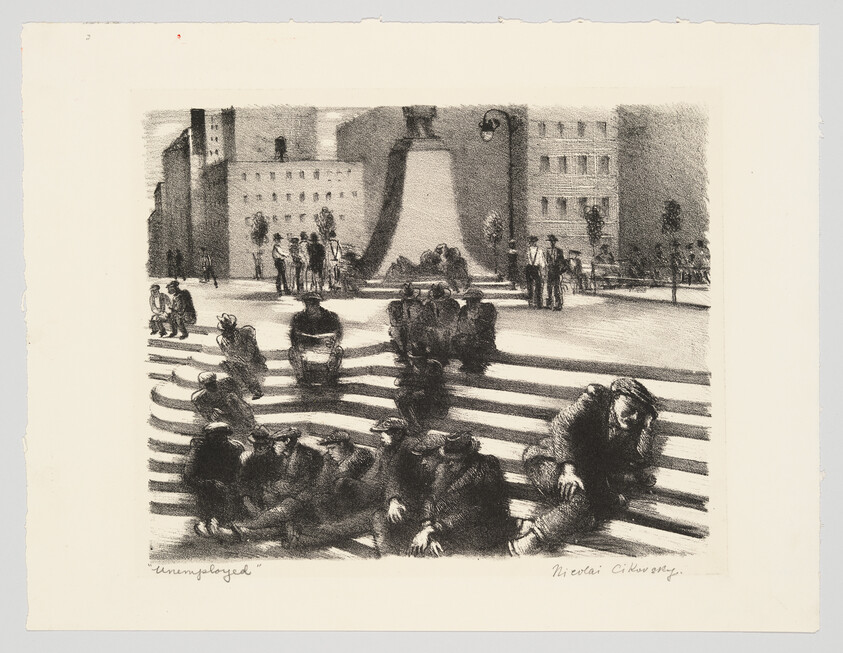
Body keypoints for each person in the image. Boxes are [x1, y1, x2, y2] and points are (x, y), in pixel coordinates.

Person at [509, 378, 659, 556]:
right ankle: (529, 542)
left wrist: (647, 427)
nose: (634, 417)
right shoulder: (594, 401)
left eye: (640, 414)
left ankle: (527, 526)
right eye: (631, 409)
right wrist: (568, 470)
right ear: (616, 398)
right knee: (582, 502)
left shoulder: (631, 427)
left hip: (586, 474)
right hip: (549, 461)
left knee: (592, 513)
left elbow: (640, 459)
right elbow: (561, 424)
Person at [289, 423, 408, 550]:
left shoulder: (361, 456)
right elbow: (322, 484)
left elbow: (352, 481)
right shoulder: (331, 459)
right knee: (318, 501)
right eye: (328, 449)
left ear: (342, 445)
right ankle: (299, 534)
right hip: (352, 499)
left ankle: (302, 537)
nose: (329, 452)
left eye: (332, 448)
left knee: (341, 487)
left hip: (366, 499)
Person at [208, 426, 324, 542]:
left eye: (271, 443)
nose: (272, 446)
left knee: (275, 513)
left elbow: (303, 484)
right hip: (273, 498)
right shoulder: (277, 456)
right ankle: (232, 528)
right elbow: (244, 480)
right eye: (256, 445)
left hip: (298, 500)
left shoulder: (302, 456)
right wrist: (247, 497)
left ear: (287, 441)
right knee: (268, 513)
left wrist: (272, 489)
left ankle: (238, 530)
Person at [408, 431, 510, 557]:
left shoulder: (486, 468)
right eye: (448, 458)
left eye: (455, 459)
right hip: (446, 528)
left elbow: (477, 510)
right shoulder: (447, 468)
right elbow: (431, 497)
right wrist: (427, 525)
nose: (449, 462)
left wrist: (435, 529)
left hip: (479, 531)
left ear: (467, 458)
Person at [184, 422, 245, 537]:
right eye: (216, 437)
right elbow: (189, 476)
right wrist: (210, 484)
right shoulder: (200, 450)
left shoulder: (235, 449)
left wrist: (233, 485)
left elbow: (241, 472)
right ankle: (208, 522)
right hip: (208, 489)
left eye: (223, 437)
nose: (220, 440)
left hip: (229, 488)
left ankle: (225, 524)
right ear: (209, 437)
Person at [288, 292, 344, 385]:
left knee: (338, 350)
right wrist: (300, 343)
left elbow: (338, 334)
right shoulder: (299, 318)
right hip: (306, 348)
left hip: (326, 348)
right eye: (308, 303)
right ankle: (301, 379)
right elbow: (293, 337)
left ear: (318, 304)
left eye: (314, 303)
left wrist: (333, 343)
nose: (311, 306)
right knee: (292, 351)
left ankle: (331, 378)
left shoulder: (330, 316)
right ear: (305, 304)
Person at [394, 344, 448, 429]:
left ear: (425, 358)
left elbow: (434, 385)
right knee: (401, 397)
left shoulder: (434, 366)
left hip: (433, 395)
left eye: (420, 359)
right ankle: (412, 424)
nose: (417, 361)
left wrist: (419, 390)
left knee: (409, 398)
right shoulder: (412, 368)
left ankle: (416, 425)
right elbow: (398, 382)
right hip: (418, 395)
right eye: (414, 359)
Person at [216, 313, 268, 400]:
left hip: (252, 361)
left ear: (233, 328)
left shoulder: (245, 334)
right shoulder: (222, 340)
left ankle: (255, 389)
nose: (227, 333)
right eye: (225, 331)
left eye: (229, 330)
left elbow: (250, 352)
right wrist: (235, 360)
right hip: (237, 362)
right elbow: (227, 355)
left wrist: (241, 360)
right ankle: (243, 385)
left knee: (242, 368)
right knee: (224, 364)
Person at [190, 371, 256, 439]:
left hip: (233, 410)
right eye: (208, 385)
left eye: (213, 383)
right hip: (221, 416)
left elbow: (241, 404)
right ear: (204, 386)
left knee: (233, 399)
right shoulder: (199, 398)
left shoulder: (227, 389)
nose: (212, 386)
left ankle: (245, 427)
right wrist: (211, 413)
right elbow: (204, 412)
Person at [452, 287, 497, 372]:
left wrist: (474, 322)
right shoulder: (464, 310)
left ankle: (477, 365)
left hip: (483, 339)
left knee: (474, 344)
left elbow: (487, 326)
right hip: (467, 338)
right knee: (457, 340)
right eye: (468, 301)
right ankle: (467, 364)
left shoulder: (488, 309)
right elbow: (460, 325)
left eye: (473, 301)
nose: (470, 303)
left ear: (479, 300)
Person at [421, 283, 460, 364]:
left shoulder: (451, 303)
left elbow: (453, 319)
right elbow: (425, 319)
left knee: (440, 334)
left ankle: (440, 357)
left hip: (445, 330)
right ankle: (438, 357)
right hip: (439, 330)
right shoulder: (429, 305)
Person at [387, 283, 426, 361]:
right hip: (413, 329)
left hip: (408, 329)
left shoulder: (398, 305)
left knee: (396, 332)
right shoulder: (419, 304)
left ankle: (403, 352)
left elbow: (395, 321)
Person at [545, 234, 568, 310]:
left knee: (557, 288)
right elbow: (546, 261)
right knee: (549, 288)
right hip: (550, 271)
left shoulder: (559, 251)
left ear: (555, 242)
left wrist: (561, 271)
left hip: (557, 271)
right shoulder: (547, 251)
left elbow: (563, 262)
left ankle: (558, 304)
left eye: (553, 241)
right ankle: (549, 304)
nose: (552, 243)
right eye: (551, 241)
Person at [524, 235, 546, 308]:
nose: (533, 243)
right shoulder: (528, 250)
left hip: (535, 268)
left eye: (534, 241)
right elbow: (526, 260)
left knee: (537, 285)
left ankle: (537, 302)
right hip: (530, 268)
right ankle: (532, 302)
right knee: (530, 285)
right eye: (532, 242)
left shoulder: (539, 251)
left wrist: (542, 269)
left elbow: (541, 261)